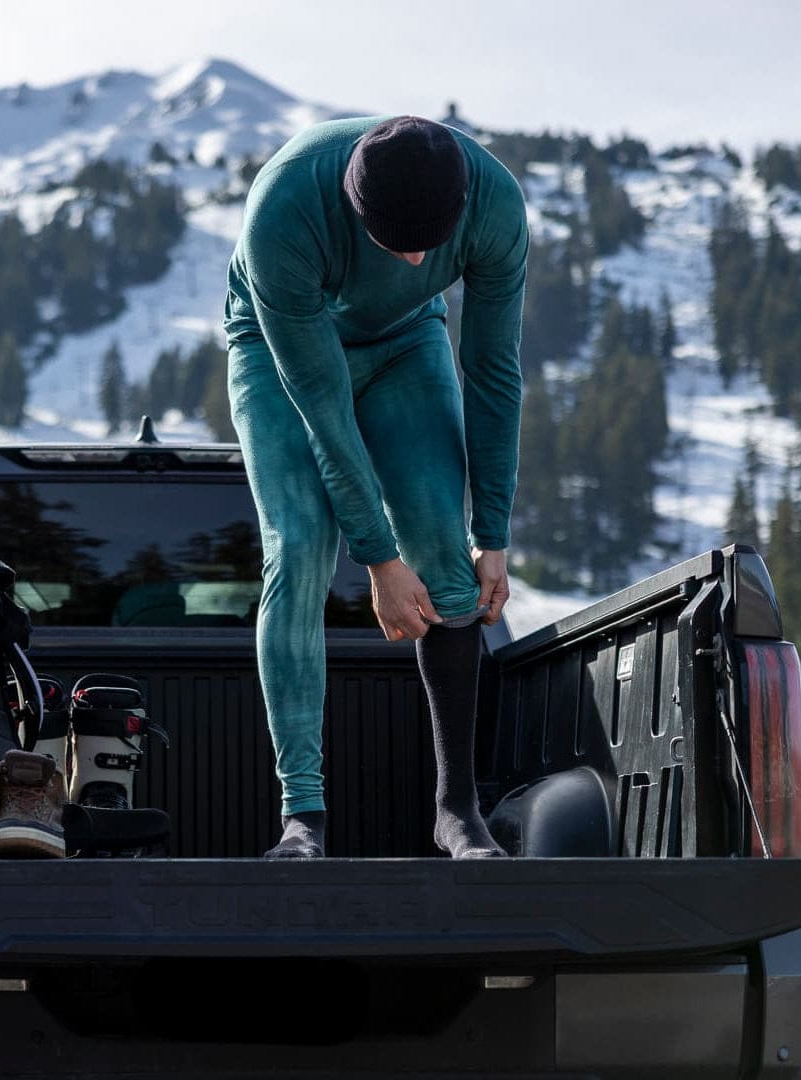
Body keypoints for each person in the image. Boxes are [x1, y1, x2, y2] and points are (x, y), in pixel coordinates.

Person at [223, 115, 528, 859]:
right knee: (296, 549)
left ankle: (458, 810)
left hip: (404, 341)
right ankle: (304, 818)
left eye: (432, 242)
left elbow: (493, 371)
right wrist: (378, 561)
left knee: (445, 558)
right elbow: (326, 414)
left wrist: (492, 531)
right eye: (399, 243)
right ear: (357, 210)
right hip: (278, 349)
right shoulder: (284, 216)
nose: (419, 255)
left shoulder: (493, 203)